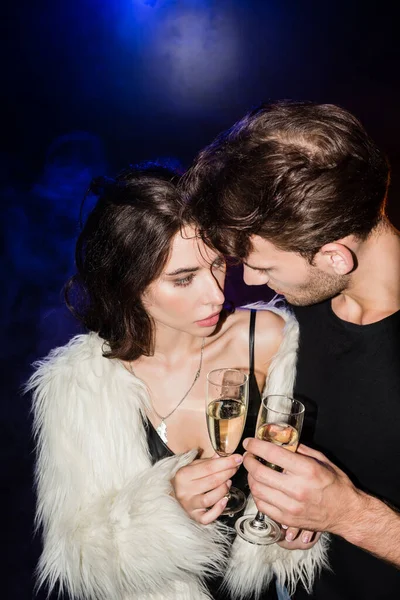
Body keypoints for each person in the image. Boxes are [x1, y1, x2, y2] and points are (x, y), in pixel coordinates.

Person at [26, 165, 328, 600]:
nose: (216, 295)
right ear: (128, 284)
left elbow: (325, 474)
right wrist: (167, 507)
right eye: (183, 279)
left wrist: (298, 530)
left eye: (217, 265)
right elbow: (76, 557)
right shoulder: (78, 385)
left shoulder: (269, 342)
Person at [183, 101, 400, 600]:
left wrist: (351, 515)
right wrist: (303, 515)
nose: (249, 281)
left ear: (334, 256)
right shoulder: (300, 315)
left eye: (264, 267)